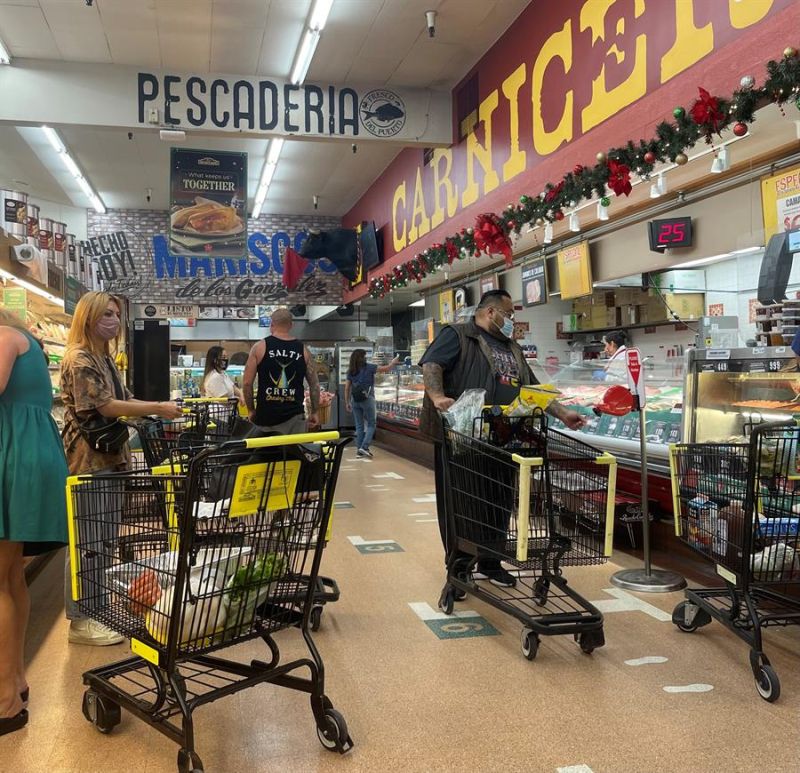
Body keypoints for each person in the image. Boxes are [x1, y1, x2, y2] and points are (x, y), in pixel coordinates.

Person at [419, 289, 586, 589]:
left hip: (505, 435)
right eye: (509, 315)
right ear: (490, 312)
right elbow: (432, 365)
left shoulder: (513, 348)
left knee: (499, 500)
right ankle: (458, 567)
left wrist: (563, 413)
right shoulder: (458, 334)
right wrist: (437, 396)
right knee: (462, 502)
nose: (511, 321)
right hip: (463, 436)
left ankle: (491, 561)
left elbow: (533, 387)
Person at [60, 291, 182, 645]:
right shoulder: (79, 358)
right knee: (86, 541)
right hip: (88, 461)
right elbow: (106, 406)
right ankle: (80, 619)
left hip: (112, 458)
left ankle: (96, 609)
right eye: (106, 314)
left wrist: (152, 410)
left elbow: (124, 399)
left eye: (116, 314)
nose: (113, 320)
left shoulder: (105, 358)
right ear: (88, 317)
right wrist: (159, 407)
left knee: (104, 539)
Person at [0, 310, 69, 736]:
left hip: (11, 460)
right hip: (27, 456)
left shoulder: (3, 338)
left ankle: (4, 698)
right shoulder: (24, 338)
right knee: (10, 578)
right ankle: (16, 681)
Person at [243, 307, 320, 434]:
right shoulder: (303, 350)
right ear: (291, 325)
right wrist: (315, 412)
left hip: (266, 417)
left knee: (267, 453)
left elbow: (246, 383)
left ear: (271, 324)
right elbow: (315, 385)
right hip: (295, 418)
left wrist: (251, 410)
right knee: (293, 453)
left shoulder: (259, 347)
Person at [344, 349, 399, 457]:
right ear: (362, 358)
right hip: (367, 399)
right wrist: (393, 362)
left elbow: (347, 388)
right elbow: (386, 369)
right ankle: (364, 447)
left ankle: (359, 451)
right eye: (364, 356)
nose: (366, 358)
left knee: (359, 426)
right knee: (371, 424)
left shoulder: (350, 371)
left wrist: (347, 402)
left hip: (355, 400)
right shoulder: (369, 367)